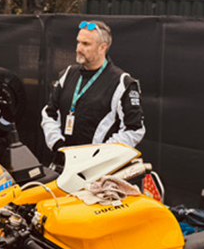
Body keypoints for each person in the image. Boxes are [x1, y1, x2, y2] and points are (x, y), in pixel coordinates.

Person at [39, 18, 145, 159]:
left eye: (86, 44)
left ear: (102, 47)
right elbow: (49, 113)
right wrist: (58, 145)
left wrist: (99, 154)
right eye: (78, 42)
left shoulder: (122, 83)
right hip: (64, 163)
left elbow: (135, 130)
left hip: (97, 170)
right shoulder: (68, 74)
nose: (78, 49)